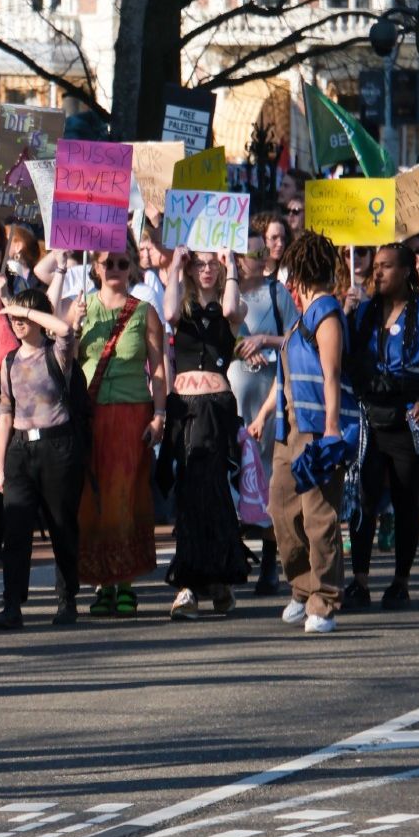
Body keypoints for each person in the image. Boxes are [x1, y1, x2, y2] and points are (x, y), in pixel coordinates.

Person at [249, 232, 358, 635]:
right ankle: (302, 585)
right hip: (288, 430)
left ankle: (325, 600)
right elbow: (287, 375)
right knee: (281, 508)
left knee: (318, 516)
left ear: (300, 272)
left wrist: (332, 429)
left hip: (317, 430)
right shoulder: (301, 317)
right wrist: (265, 416)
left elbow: (331, 374)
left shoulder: (326, 311)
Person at [344, 244, 419, 611]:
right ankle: (360, 580)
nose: (377, 273)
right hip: (371, 418)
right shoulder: (365, 312)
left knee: (405, 501)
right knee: (364, 498)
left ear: (405, 271)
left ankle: (401, 581)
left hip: (408, 417)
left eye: (386, 267)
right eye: (376, 266)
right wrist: (349, 315)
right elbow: (349, 361)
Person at [76, 244, 167, 617]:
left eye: (122, 263)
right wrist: (72, 321)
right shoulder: (80, 308)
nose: (114, 268)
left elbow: (159, 368)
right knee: (91, 499)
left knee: (124, 496)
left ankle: (124, 581)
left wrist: (160, 413)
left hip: (131, 414)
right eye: (107, 262)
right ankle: (101, 582)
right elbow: (63, 359)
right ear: (95, 267)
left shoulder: (145, 312)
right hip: (89, 415)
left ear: (131, 268)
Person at [159, 248, 248, 620]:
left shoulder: (232, 302)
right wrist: (177, 264)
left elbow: (230, 312)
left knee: (211, 492)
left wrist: (230, 267)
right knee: (190, 493)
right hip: (184, 409)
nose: (207, 269)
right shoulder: (182, 302)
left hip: (214, 411)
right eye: (201, 263)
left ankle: (214, 579)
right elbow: (168, 314)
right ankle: (194, 583)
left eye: (212, 263)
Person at [0, 289, 82, 628]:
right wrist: (0, 466)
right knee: (15, 531)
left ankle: (66, 598)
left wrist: (26, 310)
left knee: (62, 526)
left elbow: (64, 330)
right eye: (13, 316)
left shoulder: (54, 352)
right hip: (19, 449)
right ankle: (12, 604)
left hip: (57, 446)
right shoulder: (9, 361)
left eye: (25, 316)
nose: (17, 321)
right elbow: (4, 412)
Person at [230, 233, 296, 595]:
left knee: (270, 478)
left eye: (256, 251)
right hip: (237, 397)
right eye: (244, 252)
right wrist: (240, 345)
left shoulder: (277, 293)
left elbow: (296, 338)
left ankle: (270, 562)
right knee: (235, 477)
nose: (250, 258)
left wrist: (264, 341)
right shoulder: (228, 293)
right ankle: (234, 554)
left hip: (269, 400)